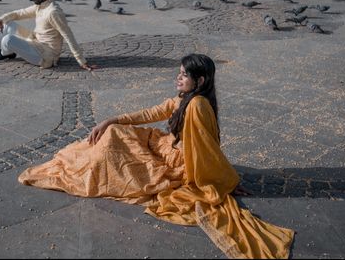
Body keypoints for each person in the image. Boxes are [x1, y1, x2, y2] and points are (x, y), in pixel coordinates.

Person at [19, 54, 294, 259]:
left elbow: (206, 149)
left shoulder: (197, 105)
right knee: (114, 132)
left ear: (199, 81)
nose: (178, 78)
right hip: (164, 146)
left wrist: (225, 181)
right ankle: (92, 160)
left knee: (114, 148)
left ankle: (92, 168)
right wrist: (110, 119)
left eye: (183, 75)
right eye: (179, 73)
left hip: (175, 162)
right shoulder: (185, 99)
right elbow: (152, 113)